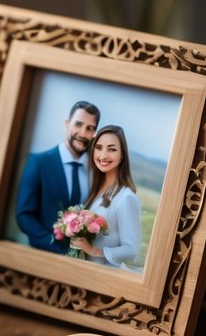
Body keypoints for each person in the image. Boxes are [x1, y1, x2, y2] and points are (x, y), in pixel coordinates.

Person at [16, 101, 100, 253]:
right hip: (42, 254)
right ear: (67, 124)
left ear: (94, 133)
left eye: (90, 128)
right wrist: (56, 249)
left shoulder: (94, 172)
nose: (83, 133)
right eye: (78, 124)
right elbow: (24, 216)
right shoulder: (38, 162)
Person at [68, 125, 142, 268]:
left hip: (102, 273)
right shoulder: (94, 188)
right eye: (99, 148)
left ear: (122, 155)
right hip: (82, 268)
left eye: (112, 149)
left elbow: (131, 250)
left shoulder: (126, 197)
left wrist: (93, 250)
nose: (103, 155)